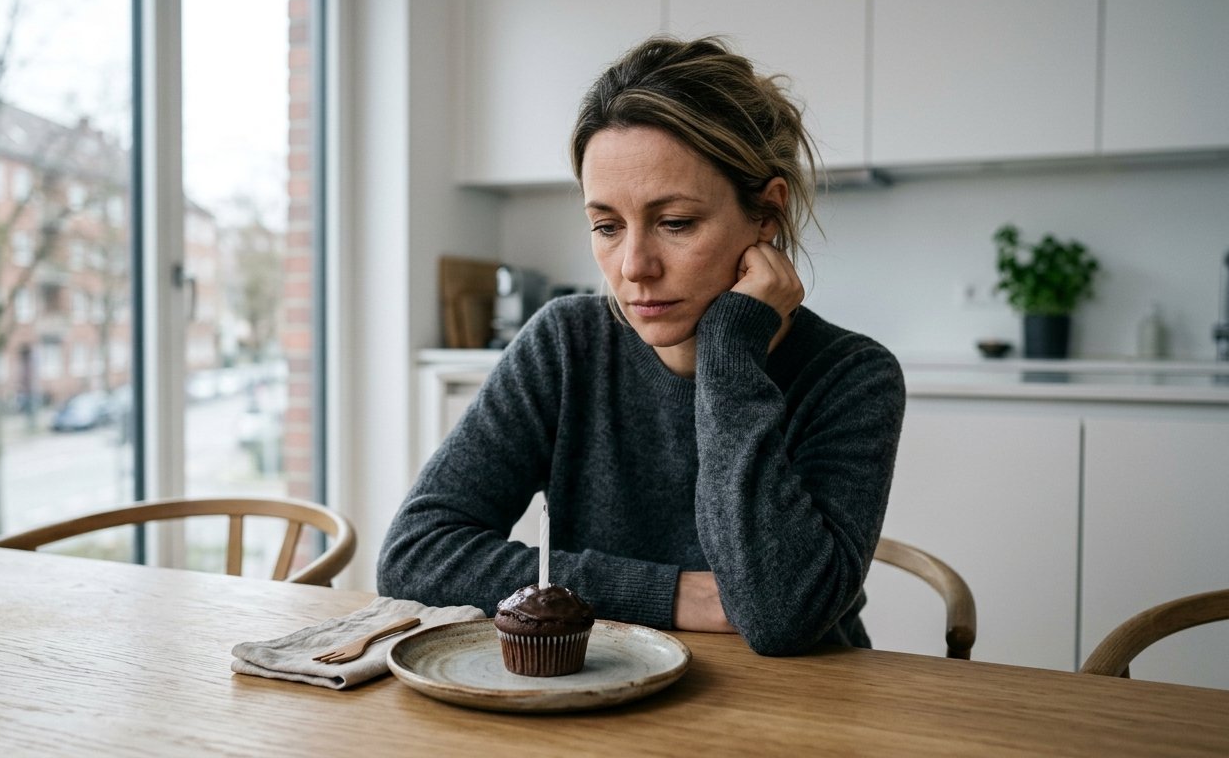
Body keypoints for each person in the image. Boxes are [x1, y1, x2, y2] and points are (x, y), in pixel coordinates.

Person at [378, 36, 906, 655]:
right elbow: (415, 555)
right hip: (603, 693)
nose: (633, 267)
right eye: (606, 226)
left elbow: (780, 616)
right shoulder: (566, 342)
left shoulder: (853, 376)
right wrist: (671, 593)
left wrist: (731, 350)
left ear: (766, 214)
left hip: (802, 707)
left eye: (675, 222)